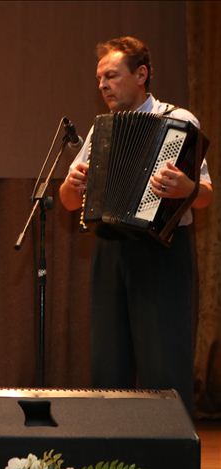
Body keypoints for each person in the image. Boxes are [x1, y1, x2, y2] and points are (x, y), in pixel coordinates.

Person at [59, 36, 213, 411]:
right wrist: (71, 185)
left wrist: (188, 188)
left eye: (111, 76)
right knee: (109, 363)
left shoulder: (179, 121)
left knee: (164, 361)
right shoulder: (101, 130)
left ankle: (169, 444)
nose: (103, 85)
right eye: (99, 79)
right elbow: (68, 202)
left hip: (162, 252)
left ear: (141, 75)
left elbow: (206, 195)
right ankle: (111, 445)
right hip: (111, 249)